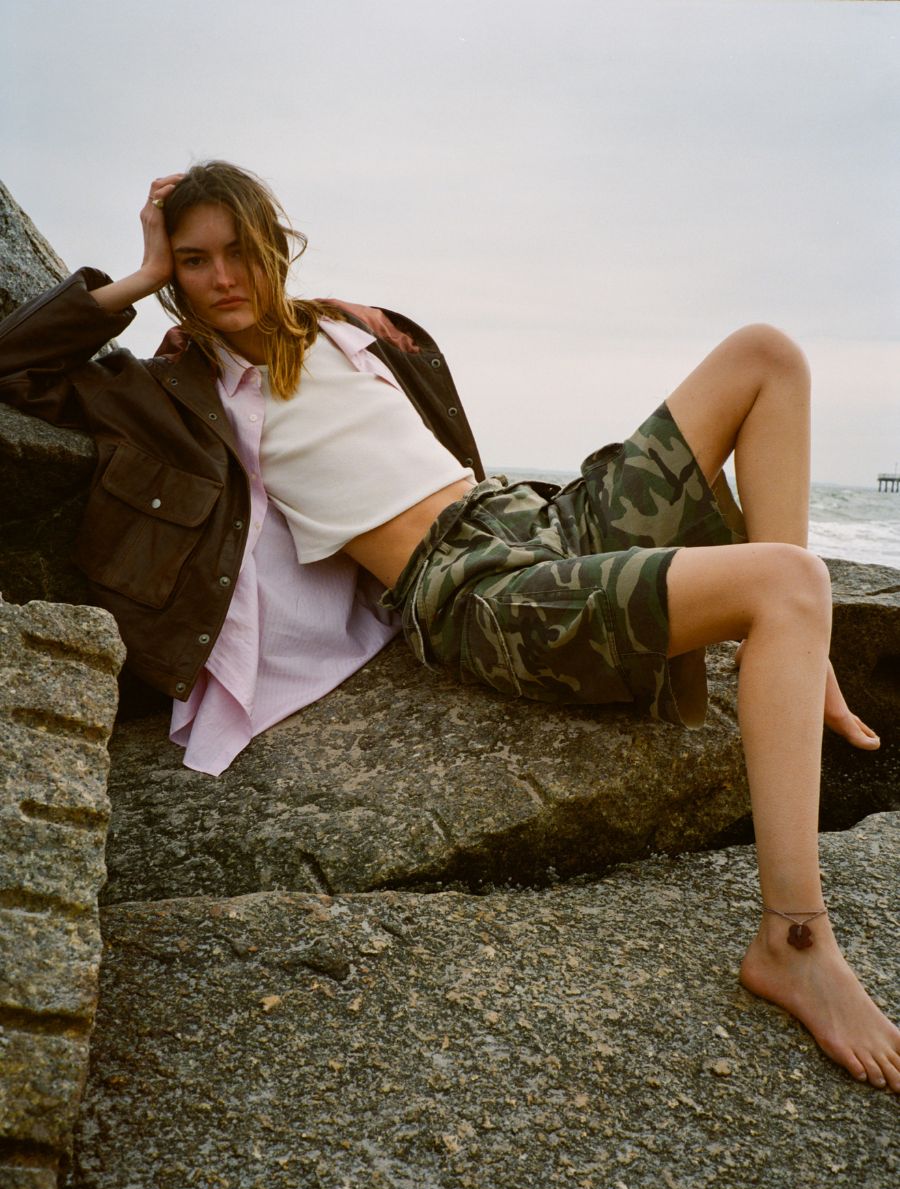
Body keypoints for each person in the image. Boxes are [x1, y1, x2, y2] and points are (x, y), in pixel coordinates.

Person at [0, 161, 897, 1092]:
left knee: (768, 352)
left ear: (274, 245)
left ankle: (793, 650)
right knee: (792, 580)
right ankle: (794, 938)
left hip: (537, 520)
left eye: (238, 253)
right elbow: (13, 365)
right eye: (193, 261)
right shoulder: (179, 391)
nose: (221, 278)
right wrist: (136, 280)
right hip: (472, 590)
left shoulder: (348, 331)